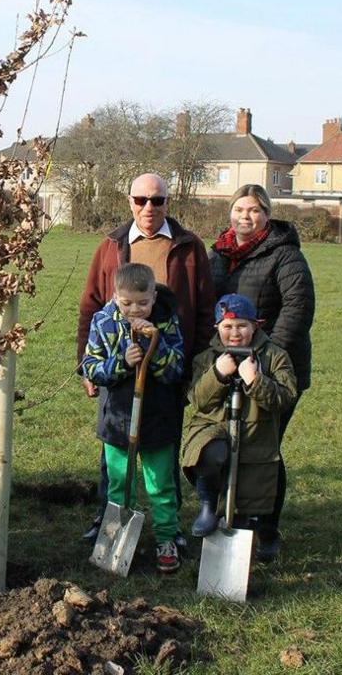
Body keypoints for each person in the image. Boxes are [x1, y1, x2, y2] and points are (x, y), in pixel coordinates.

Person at [76, 172, 215, 542]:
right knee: (116, 458)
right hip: (118, 377)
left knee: (160, 460)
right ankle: (110, 523)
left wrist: (193, 365)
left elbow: (203, 310)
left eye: (157, 200)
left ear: (168, 203)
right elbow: (90, 306)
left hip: (167, 369)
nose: (149, 207)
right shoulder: (111, 245)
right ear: (129, 201)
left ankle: (168, 530)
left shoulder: (189, 246)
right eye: (141, 200)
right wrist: (86, 367)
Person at [209, 183, 315, 561]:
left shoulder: (285, 255)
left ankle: (267, 527)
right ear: (230, 213)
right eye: (239, 209)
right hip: (229, 365)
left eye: (253, 210)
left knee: (264, 446)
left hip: (274, 368)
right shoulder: (219, 255)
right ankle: (234, 514)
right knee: (231, 443)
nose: (245, 217)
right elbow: (210, 306)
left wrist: (265, 357)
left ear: (267, 214)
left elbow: (297, 308)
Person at [79, 263, 186, 573]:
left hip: (157, 418)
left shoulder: (166, 321)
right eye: (126, 303)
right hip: (117, 418)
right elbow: (92, 367)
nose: (135, 309)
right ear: (115, 296)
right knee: (119, 482)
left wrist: (155, 347)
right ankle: (117, 536)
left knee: (160, 485)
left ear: (153, 296)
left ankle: (166, 538)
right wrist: (121, 362)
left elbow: (175, 369)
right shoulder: (103, 322)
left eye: (143, 302)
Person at [181, 294, 297, 542]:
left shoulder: (274, 357)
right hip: (213, 428)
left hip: (256, 433)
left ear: (256, 325)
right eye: (227, 327)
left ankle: (251, 535)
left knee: (249, 493)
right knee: (210, 454)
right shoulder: (207, 358)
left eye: (242, 326)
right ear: (217, 328)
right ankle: (208, 506)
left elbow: (285, 398)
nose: (235, 333)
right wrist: (218, 374)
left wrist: (255, 381)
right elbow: (199, 401)